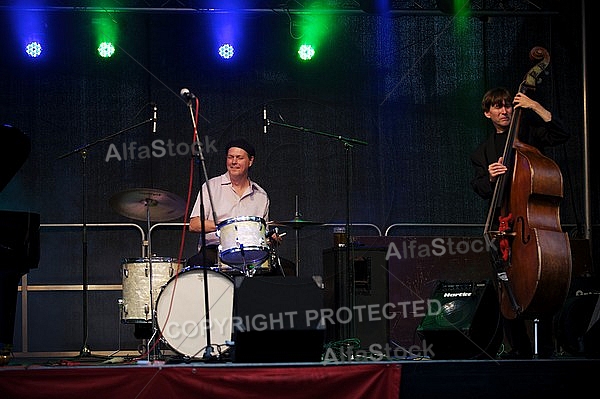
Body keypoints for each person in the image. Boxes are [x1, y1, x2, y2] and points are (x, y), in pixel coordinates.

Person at [470, 87, 570, 359]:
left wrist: (534, 105)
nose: (504, 111)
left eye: (508, 106)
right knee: (505, 284)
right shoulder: (482, 152)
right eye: (498, 107)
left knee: (543, 279)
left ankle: (546, 345)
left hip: (530, 226)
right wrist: (490, 178)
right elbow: (478, 187)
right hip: (502, 225)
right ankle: (518, 346)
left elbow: (562, 134)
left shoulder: (530, 136)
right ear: (487, 113)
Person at [188, 138, 282, 274]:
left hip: (250, 256)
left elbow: (262, 235)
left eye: (239, 158)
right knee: (197, 264)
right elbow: (194, 224)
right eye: (230, 157)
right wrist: (226, 226)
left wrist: (271, 238)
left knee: (282, 270)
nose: (233, 162)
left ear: (250, 161)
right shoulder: (211, 186)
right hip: (215, 251)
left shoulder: (261, 195)